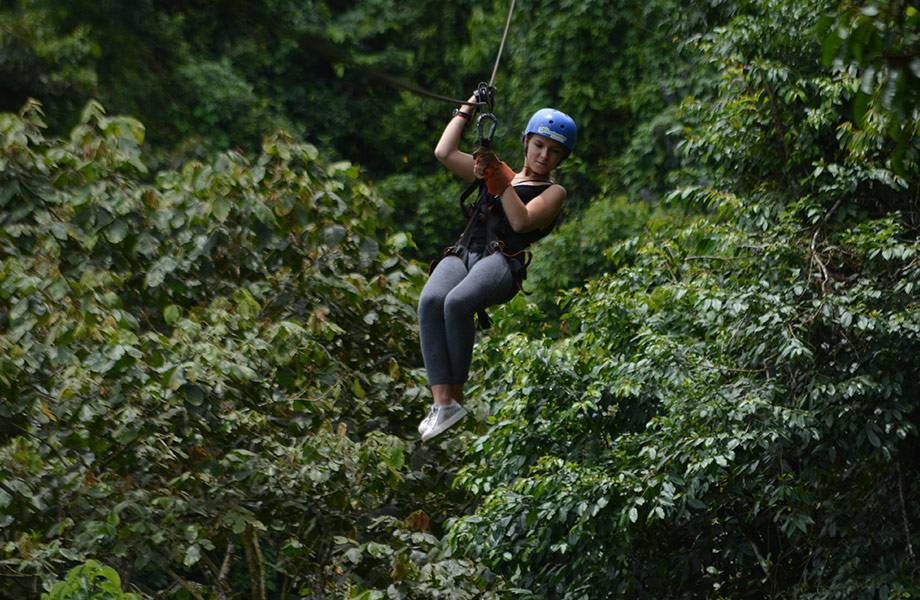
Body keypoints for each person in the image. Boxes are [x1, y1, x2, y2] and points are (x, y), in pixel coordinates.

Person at [416, 92, 577, 441]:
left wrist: (498, 178)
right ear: (526, 142)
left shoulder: (553, 192)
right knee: (430, 301)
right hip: (465, 251)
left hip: (503, 261)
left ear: (561, 158)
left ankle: (454, 400)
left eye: (553, 152)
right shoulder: (497, 172)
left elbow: (521, 222)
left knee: (457, 303)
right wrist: (469, 105)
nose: (543, 155)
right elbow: (443, 152)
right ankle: (441, 403)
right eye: (538, 146)